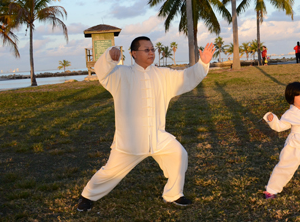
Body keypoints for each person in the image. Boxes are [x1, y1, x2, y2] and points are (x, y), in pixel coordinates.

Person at [76, 36, 215, 211]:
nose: (151, 53)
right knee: (110, 172)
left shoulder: (162, 74)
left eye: (152, 49)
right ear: (134, 54)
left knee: (179, 155)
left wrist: (202, 64)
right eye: (146, 50)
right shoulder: (120, 75)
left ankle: (173, 195)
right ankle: (87, 196)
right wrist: (109, 58)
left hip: (157, 136)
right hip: (129, 141)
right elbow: (102, 73)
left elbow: (186, 77)